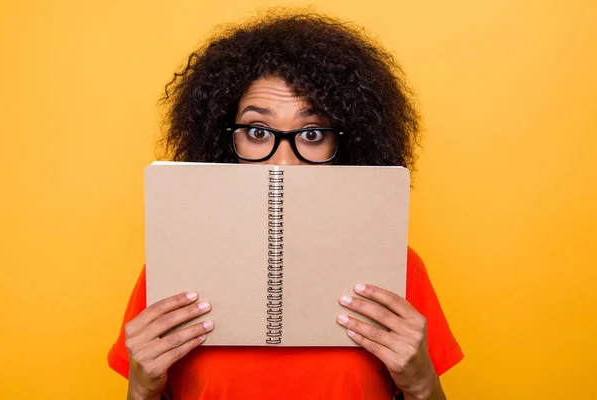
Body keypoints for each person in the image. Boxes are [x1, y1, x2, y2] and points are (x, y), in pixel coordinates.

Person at [108, 10, 464, 400]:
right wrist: (141, 387)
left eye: (311, 133)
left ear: (343, 144)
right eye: (258, 131)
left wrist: (422, 384)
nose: (283, 162)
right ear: (225, 141)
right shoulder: (171, 271)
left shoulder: (397, 267)